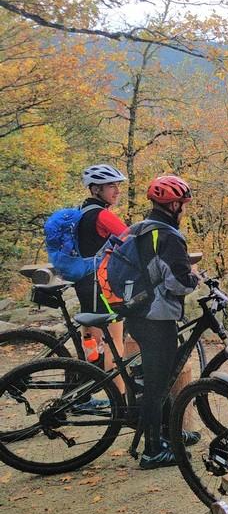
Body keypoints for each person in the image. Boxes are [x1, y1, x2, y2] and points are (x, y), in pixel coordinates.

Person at [123, 175, 200, 469]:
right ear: (174, 204)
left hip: (136, 312)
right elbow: (178, 282)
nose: (185, 210)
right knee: (157, 384)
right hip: (156, 317)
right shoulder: (168, 236)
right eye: (183, 205)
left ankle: (166, 435)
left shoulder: (139, 229)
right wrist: (195, 277)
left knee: (159, 378)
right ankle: (153, 450)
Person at [76, 164, 135, 394]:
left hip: (84, 283)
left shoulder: (81, 211)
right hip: (101, 284)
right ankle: (118, 398)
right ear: (96, 190)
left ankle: (85, 392)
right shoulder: (102, 215)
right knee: (115, 341)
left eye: (117, 185)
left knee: (91, 339)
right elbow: (131, 240)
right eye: (111, 186)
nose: (117, 191)